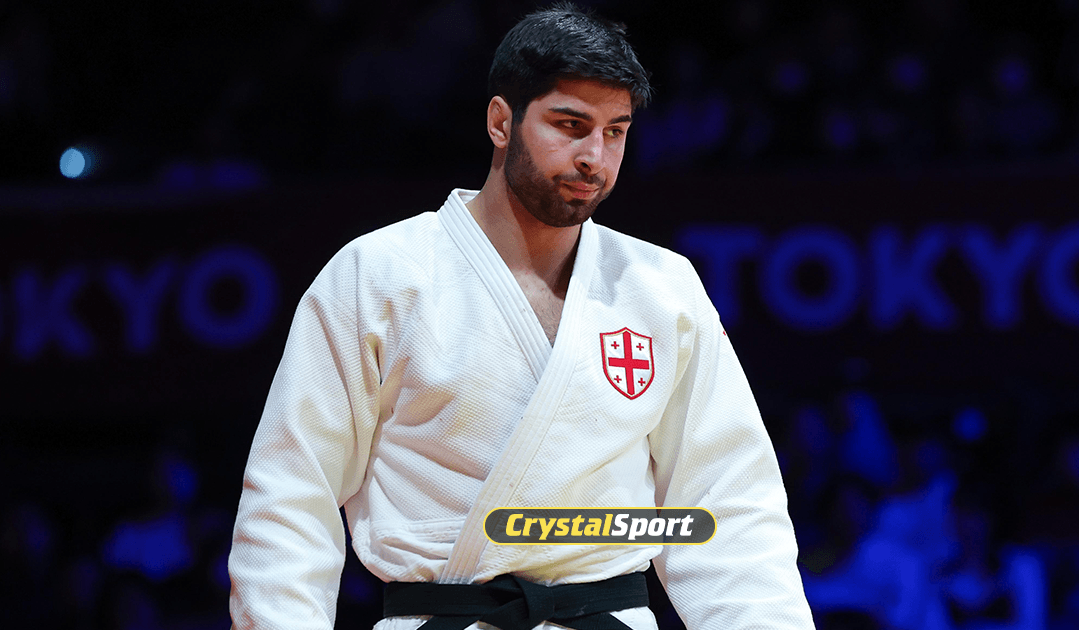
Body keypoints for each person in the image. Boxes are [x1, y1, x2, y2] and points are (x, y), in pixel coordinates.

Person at [228, 4, 814, 629]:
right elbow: (291, 496)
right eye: (570, 125)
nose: (595, 157)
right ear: (501, 121)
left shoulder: (661, 288)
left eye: (615, 132)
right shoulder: (379, 275)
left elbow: (729, 502)